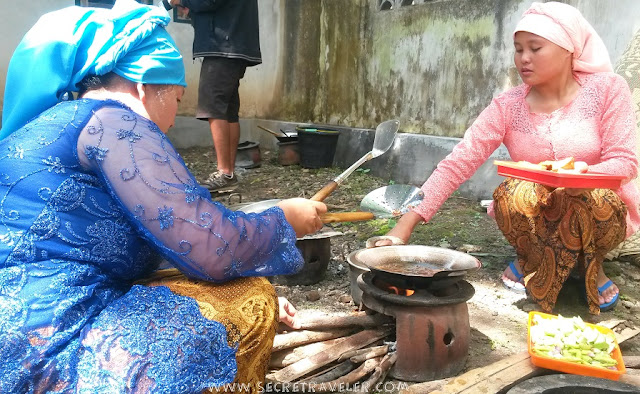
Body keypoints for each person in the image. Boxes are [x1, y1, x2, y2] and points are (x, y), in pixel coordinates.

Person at [0, 0, 326, 392]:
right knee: (252, 298)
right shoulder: (116, 122)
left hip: (20, 326)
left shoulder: (58, 122)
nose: (173, 117)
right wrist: (286, 218)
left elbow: (149, 237)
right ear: (144, 85)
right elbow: (212, 249)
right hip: (46, 345)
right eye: (175, 98)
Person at [377, 2, 640, 315]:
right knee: (511, 193)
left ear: (569, 48)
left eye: (535, 48)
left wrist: (582, 174)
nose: (523, 59)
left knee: (597, 198)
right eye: (518, 49)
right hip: (538, 219)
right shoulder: (508, 105)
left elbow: (625, 161)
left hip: (595, 214)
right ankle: (533, 256)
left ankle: (590, 267)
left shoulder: (608, 89)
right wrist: (404, 225)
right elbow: (460, 161)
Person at [163, 0, 261, 193]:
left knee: (214, 107)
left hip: (223, 46)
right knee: (228, 110)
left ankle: (224, 173)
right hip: (234, 44)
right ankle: (229, 174)